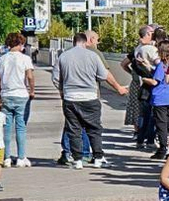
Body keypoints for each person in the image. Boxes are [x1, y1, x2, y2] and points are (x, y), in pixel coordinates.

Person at [54, 30, 127, 168]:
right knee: (94, 129)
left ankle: (77, 160)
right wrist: (118, 87)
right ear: (84, 42)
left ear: (74, 42)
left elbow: (56, 78)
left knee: (74, 129)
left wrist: (63, 92)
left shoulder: (63, 57)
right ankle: (98, 157)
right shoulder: (93, 56)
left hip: (70, 97)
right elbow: (104, 75)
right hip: (90, 96)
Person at [0, 31, 35, 167]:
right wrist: (32, 90)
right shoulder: (25, 59)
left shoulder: (1, 59)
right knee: (20, 127)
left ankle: (6, 157)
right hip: (21, 95)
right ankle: (21, 157)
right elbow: (29, 76)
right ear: (20, 44)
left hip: (5, 95)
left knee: (6, 128)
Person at [128, 25, 158, 150]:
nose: (153, 35)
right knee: (151, 115)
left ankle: (140, 138)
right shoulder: (149, 49)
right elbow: (159, 65)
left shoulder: (137, 49)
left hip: (142, 85)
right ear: (146, 35)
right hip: (151, 84)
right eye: (151, 33)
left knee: (143, 114)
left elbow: (126, 64)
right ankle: (150, 140)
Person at [147, 40, 169, 157]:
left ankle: (162, 148)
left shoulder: (161, 65)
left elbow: (155, 81)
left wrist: (144, 79)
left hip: (159, 98)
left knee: (161, 124)